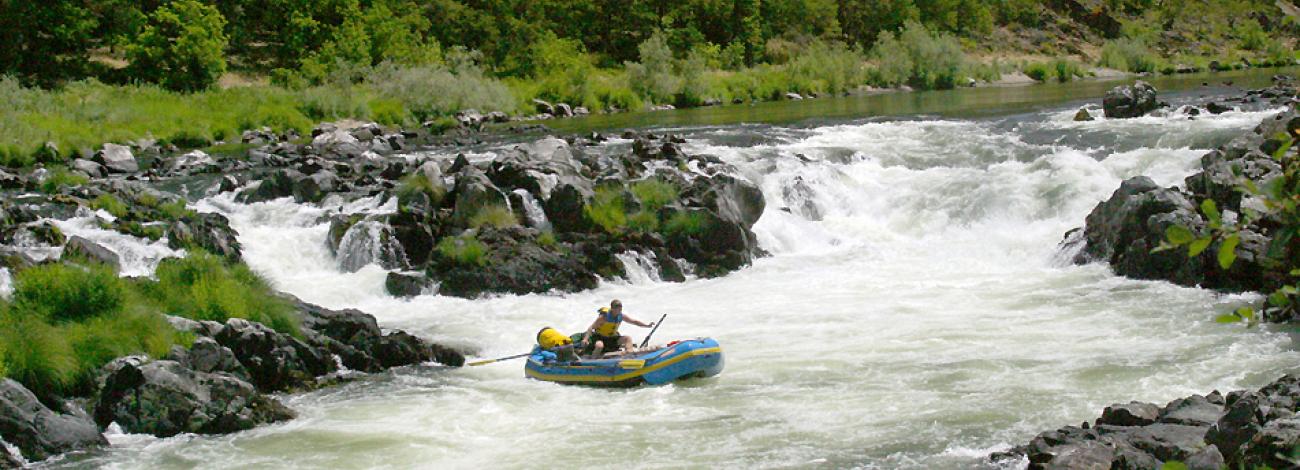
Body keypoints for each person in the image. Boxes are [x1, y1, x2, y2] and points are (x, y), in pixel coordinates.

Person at [579, 299, 654, 357]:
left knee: (627, 338)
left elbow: (634, 321)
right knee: (599, 345)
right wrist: (585, 339)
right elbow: (591, 328)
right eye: (618, 309)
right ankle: (593, 361)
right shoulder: (603, 318)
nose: (619, 311)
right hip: (599, 338)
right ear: (612, 308)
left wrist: (647, 325)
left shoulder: (621, 316)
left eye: (620, 309)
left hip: (611, 338)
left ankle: (629, 355)